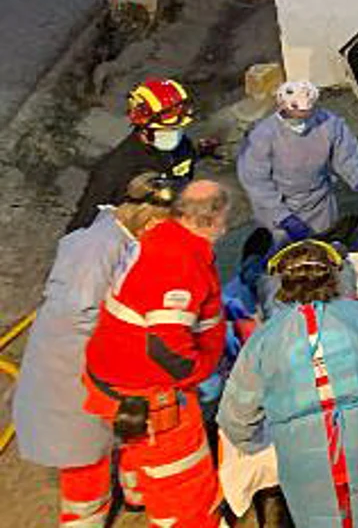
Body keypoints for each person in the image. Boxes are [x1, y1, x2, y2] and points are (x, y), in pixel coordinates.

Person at [219, 238, 358, 528]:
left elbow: (236, 419)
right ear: (334, 274)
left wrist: (255, 442)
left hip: (305, 460)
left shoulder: (263, 341)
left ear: (281, 284)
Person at [13, 174, 179, 528]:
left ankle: (135, 494)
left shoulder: (108, 237)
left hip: (103, 369)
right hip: (75, 372)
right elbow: (81, 315)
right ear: (147, 216)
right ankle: (83, 521)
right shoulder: (96, 251)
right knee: (85, 457)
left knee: (125, 429)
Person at [80, 180, 230, 528]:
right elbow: (166, 347)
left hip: (117, 381)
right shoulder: (180, 262)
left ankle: (137, 495)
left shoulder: (162, 241)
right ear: (211, 221)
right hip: (153, 398)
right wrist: (202, 372)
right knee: (184, 484)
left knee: (139, 454)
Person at [237, 80, 358, 244]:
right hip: (278, 207)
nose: (303, 118)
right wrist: (283, 217)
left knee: (324, 250)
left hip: (320, 203)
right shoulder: (262, 135)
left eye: (308, 112)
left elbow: (347, 156)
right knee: (285, 257)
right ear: (283, 106)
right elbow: (256, 182)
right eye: (297, 113)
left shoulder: (329, 123)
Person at [67, 78, 213, 233]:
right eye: (166, 130)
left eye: (178, 128)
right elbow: (83, 222)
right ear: (143, 128)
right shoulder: (113, 171)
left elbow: (183, 174)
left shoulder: (182, 146)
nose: (174, 135)